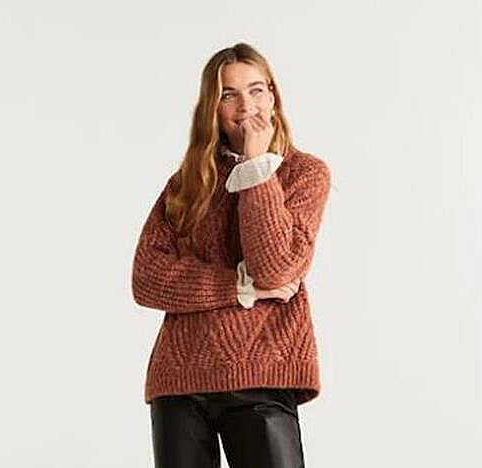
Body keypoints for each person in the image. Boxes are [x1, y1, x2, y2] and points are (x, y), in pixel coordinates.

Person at [131, 42, 333, 468]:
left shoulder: (303, 173)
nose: (246, 106)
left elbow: (276, 267)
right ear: (213, 107)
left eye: (256, 90)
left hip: (262, 374)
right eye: (229, 95)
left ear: (273, 96)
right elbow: (147, 278)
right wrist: (241, 287)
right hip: (180, 379)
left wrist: (256, 165)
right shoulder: (187, 183)